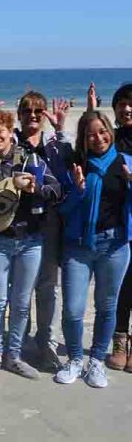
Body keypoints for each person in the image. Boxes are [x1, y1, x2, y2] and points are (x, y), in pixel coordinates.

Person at [0, 109, 62, 380]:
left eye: (0, 131)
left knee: (22, 303)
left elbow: (56, 191)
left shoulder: (31, 159)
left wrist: (36, 190)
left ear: (11, 131)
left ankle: (15, 355)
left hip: (31, 241)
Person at [55, 111, 132, 388]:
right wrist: (77, 190)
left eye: (102, 131)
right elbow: (62, 210)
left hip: (114, 245)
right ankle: (75, 359)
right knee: (73, 309)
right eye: (91, 134)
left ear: (110, 131)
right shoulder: (76, 164)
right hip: (78, 245)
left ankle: (97, 360)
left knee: (106, 306)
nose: (98, 138)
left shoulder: (126, 163)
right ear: (83, 139)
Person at [12, 91, 74, 371]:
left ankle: (46, 342)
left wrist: (61, 130)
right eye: (27, 111)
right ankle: (17, 342)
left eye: (39, 111)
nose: (33, 115)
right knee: (19, 288)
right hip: (17, 224)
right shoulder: (11, 142)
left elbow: (71, 171)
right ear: (19, 115)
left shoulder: (54, 145)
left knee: (48, 287)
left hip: (48, 223)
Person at [98, 83, 132, 371]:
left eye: (131, 103)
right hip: (120, 227)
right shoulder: (113, 140)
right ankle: (120, 342)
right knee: (122, 285)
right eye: (121, 103)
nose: (127, 108)